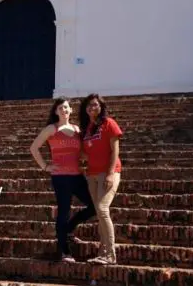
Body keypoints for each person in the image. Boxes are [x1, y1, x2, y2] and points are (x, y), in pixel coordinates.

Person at [30, 97, 96, 263]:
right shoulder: (52, 128)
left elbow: (81, 153)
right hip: (60, 177)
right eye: (60, 108)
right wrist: (45, 166)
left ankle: (68, 230)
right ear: (56, 112)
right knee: (64, 212)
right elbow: (34, 148)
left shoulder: (76, 129)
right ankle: (64, 251)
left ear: (71, 110)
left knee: (94, 205)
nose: (64, 110)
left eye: (66, 107)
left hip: (77, 176)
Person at [79, 93, 123, 265]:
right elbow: (85, 153)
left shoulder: (109, 123)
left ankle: (110, 254)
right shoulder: (87, 129)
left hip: (108, 173)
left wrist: (111, 173)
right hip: (92, 174)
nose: (92, 107)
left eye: (95, 104)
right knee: (99, 212)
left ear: (101, 106)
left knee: (103, 209)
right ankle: (103, 252)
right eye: (89, 105)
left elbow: (115, 150)